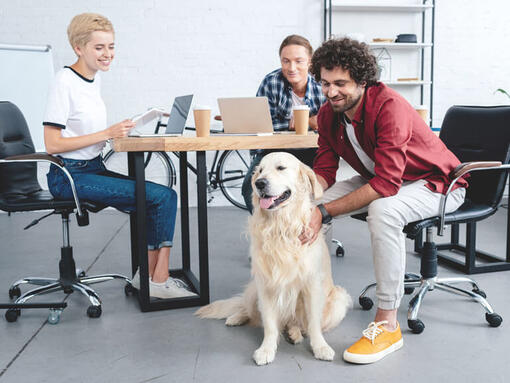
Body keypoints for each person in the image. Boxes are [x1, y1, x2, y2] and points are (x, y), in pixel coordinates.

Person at [304, 38, 468, 364]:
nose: (330, 91)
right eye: (324, 83)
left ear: (362, 81)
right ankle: (312, 301)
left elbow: (385, 185)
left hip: (437, 184)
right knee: (303, 207)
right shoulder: (327, 114)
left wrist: (324, 210)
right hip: (384, 178)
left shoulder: (389, 106)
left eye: (340, 84)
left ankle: (387, 323)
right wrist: (308, 202)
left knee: (383, 210)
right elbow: (324, 171)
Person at [43, 13, 194, 299]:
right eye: (99, 48)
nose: (108, 54)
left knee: (160, 197)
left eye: (111, 46)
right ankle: (157, 280)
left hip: (92, 167)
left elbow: (83, 132)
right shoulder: (65, 81)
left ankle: (147, 278)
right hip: (69, 176)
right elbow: (52, 144)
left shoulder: (92, 80)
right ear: (78, 47)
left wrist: (122, 128)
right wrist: (106, 133)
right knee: (162, 197)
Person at [241, 34, 326, 213]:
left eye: (299, 61)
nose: (291, 67)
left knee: (314, 189)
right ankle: (270, 231)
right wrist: (296, 123)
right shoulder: (271, 82)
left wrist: (309, 122)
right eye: (285, 61)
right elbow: (262, 126)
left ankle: (308, 231)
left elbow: (330, 124)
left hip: (314, 151)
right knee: (249, 190)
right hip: (274, 151)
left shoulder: (322, 85)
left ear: (310, 62)